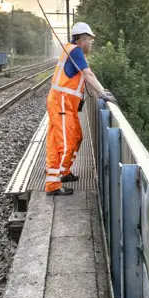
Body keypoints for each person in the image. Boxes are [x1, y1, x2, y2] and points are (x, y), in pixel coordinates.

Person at [45, 23, 115, 195]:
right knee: (66, 143)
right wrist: (103, 94)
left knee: (76, 137)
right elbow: (89, 75)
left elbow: (87, 76)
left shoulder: (74, 51)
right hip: (62, 103)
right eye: (90, 40)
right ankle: (53, 185)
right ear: (83, 39)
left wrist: (100, 91)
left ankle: (65, 172)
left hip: (65, 104)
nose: (91, 44)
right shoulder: (76, 50)